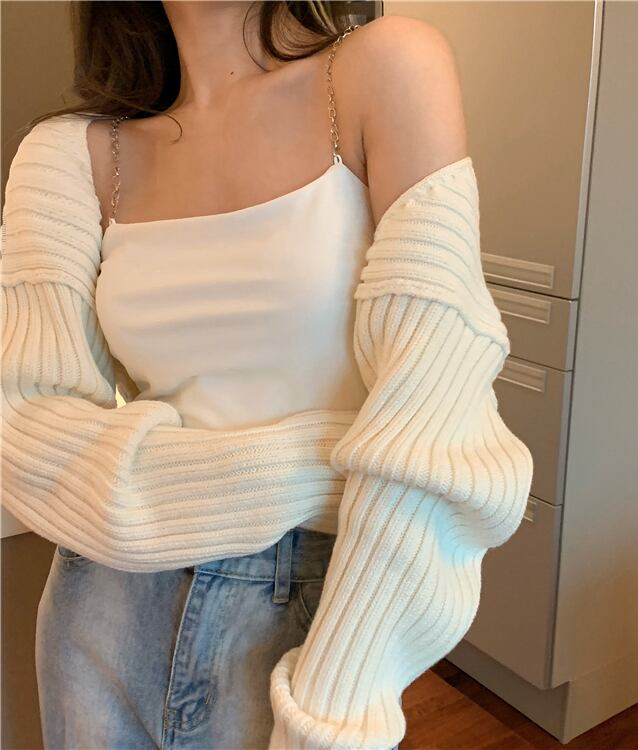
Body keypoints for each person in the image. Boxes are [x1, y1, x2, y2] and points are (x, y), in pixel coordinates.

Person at [1, 2, 534, 749]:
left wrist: (334, 715)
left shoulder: (384, 69)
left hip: (312, 615)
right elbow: (23, 429)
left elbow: (438, 415)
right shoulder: (66, 154)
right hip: (102, 607)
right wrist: (325, 465)